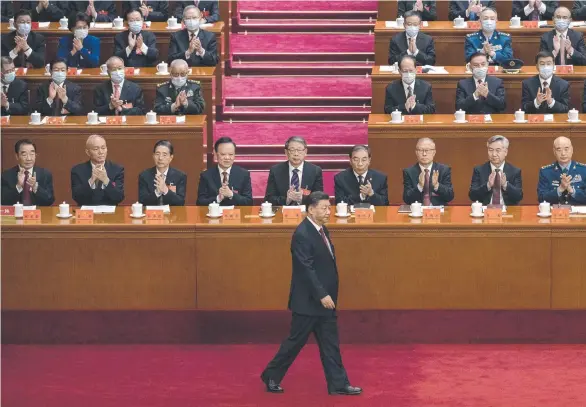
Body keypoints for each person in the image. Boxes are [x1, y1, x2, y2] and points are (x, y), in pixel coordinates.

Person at [261, 191, 362, 396]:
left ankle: (338, 384)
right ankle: (271, 375)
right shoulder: (302, 234)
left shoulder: (321, 229)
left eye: (329, 207)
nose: (328, 212)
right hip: (308, 302)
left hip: (325, 301)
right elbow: (305, 269)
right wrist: (322, 295)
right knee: (294, 342)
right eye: (324, 208)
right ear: (310, 209)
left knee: (331, 345)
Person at [264, 137, 324, 206]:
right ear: (286, 152)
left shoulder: (315, 171)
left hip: (306, 212)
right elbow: (268, 199)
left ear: (305, 152)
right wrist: (287, 199)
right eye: (292, 150)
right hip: (283, 213)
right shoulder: (275, 170)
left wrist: (302, 198)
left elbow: (319, 198)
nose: (296, 154)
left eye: (299, 150)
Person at [196, 137, 253, 206]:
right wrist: (218, 198)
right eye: (223, 154)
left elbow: (249, 202)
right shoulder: (206, 175)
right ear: (216, 154)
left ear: (234, 155)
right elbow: (200, 203)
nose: (227, 158)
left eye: (231, 154)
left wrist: (231, 195)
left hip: (236, 215)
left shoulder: (243, 174)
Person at [469, 135, 523, 206]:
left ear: (505, 152)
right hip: (485, 212)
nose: (494, 154)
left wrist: (505, 185)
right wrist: (488, 185)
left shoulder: (515, 171)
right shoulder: (479, 170)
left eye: (498, 150)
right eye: (490, 150)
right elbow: (472, 196)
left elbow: (519, 196)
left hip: (507, 212)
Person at [71, 135, 124, 206]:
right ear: (88, 152)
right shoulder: (77, 170)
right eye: (96, 149)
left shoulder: (117, 169)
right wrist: (91, 180)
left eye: (103, 148)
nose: (101, 152)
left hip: (110, 213)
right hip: (87, 212)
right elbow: (77, 197)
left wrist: (106, 180)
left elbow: (119, 197)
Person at [1, 139, 54, 206]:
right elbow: (4, 202)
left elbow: (50, 201)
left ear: (35, 155)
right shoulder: (6, 176)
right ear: (17, 156)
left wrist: (35, 187)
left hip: (38, 214)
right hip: (16, 214)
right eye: (24, 155)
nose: (29, 158)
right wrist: (18, 186)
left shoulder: (45, 174)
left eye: (32, 154)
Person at [403, 138, 454, 206]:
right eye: (421, 150)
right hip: (418, 211)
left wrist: (437, 185)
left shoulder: (444, 170)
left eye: (427, 150)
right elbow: (407, 199)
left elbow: (450, 197)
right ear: (416, 152)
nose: (424, 154)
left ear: (434, 152)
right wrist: (419, 187)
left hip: (439, 212)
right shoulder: (409, 172)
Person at [537, 136, 586, 204]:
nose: (563, 153)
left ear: (572, 150)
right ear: (554, 152)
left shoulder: (584, 170)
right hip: (555, 213)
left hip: (579, 213)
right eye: (559, 150)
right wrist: (560, 189)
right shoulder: (545, 172)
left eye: (566, 149)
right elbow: (541, 198)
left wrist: (572, 190)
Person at [138, 140, 187, 206]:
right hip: (151, 214)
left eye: (164, 155)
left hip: (173, 215)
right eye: (157, 154)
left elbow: (180, 202)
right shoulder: (144, 176)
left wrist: (166, 191)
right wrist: (157, 193)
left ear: (171, 158)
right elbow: (142, 201)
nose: (160, 158)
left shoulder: (180, 176)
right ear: (153, 156)